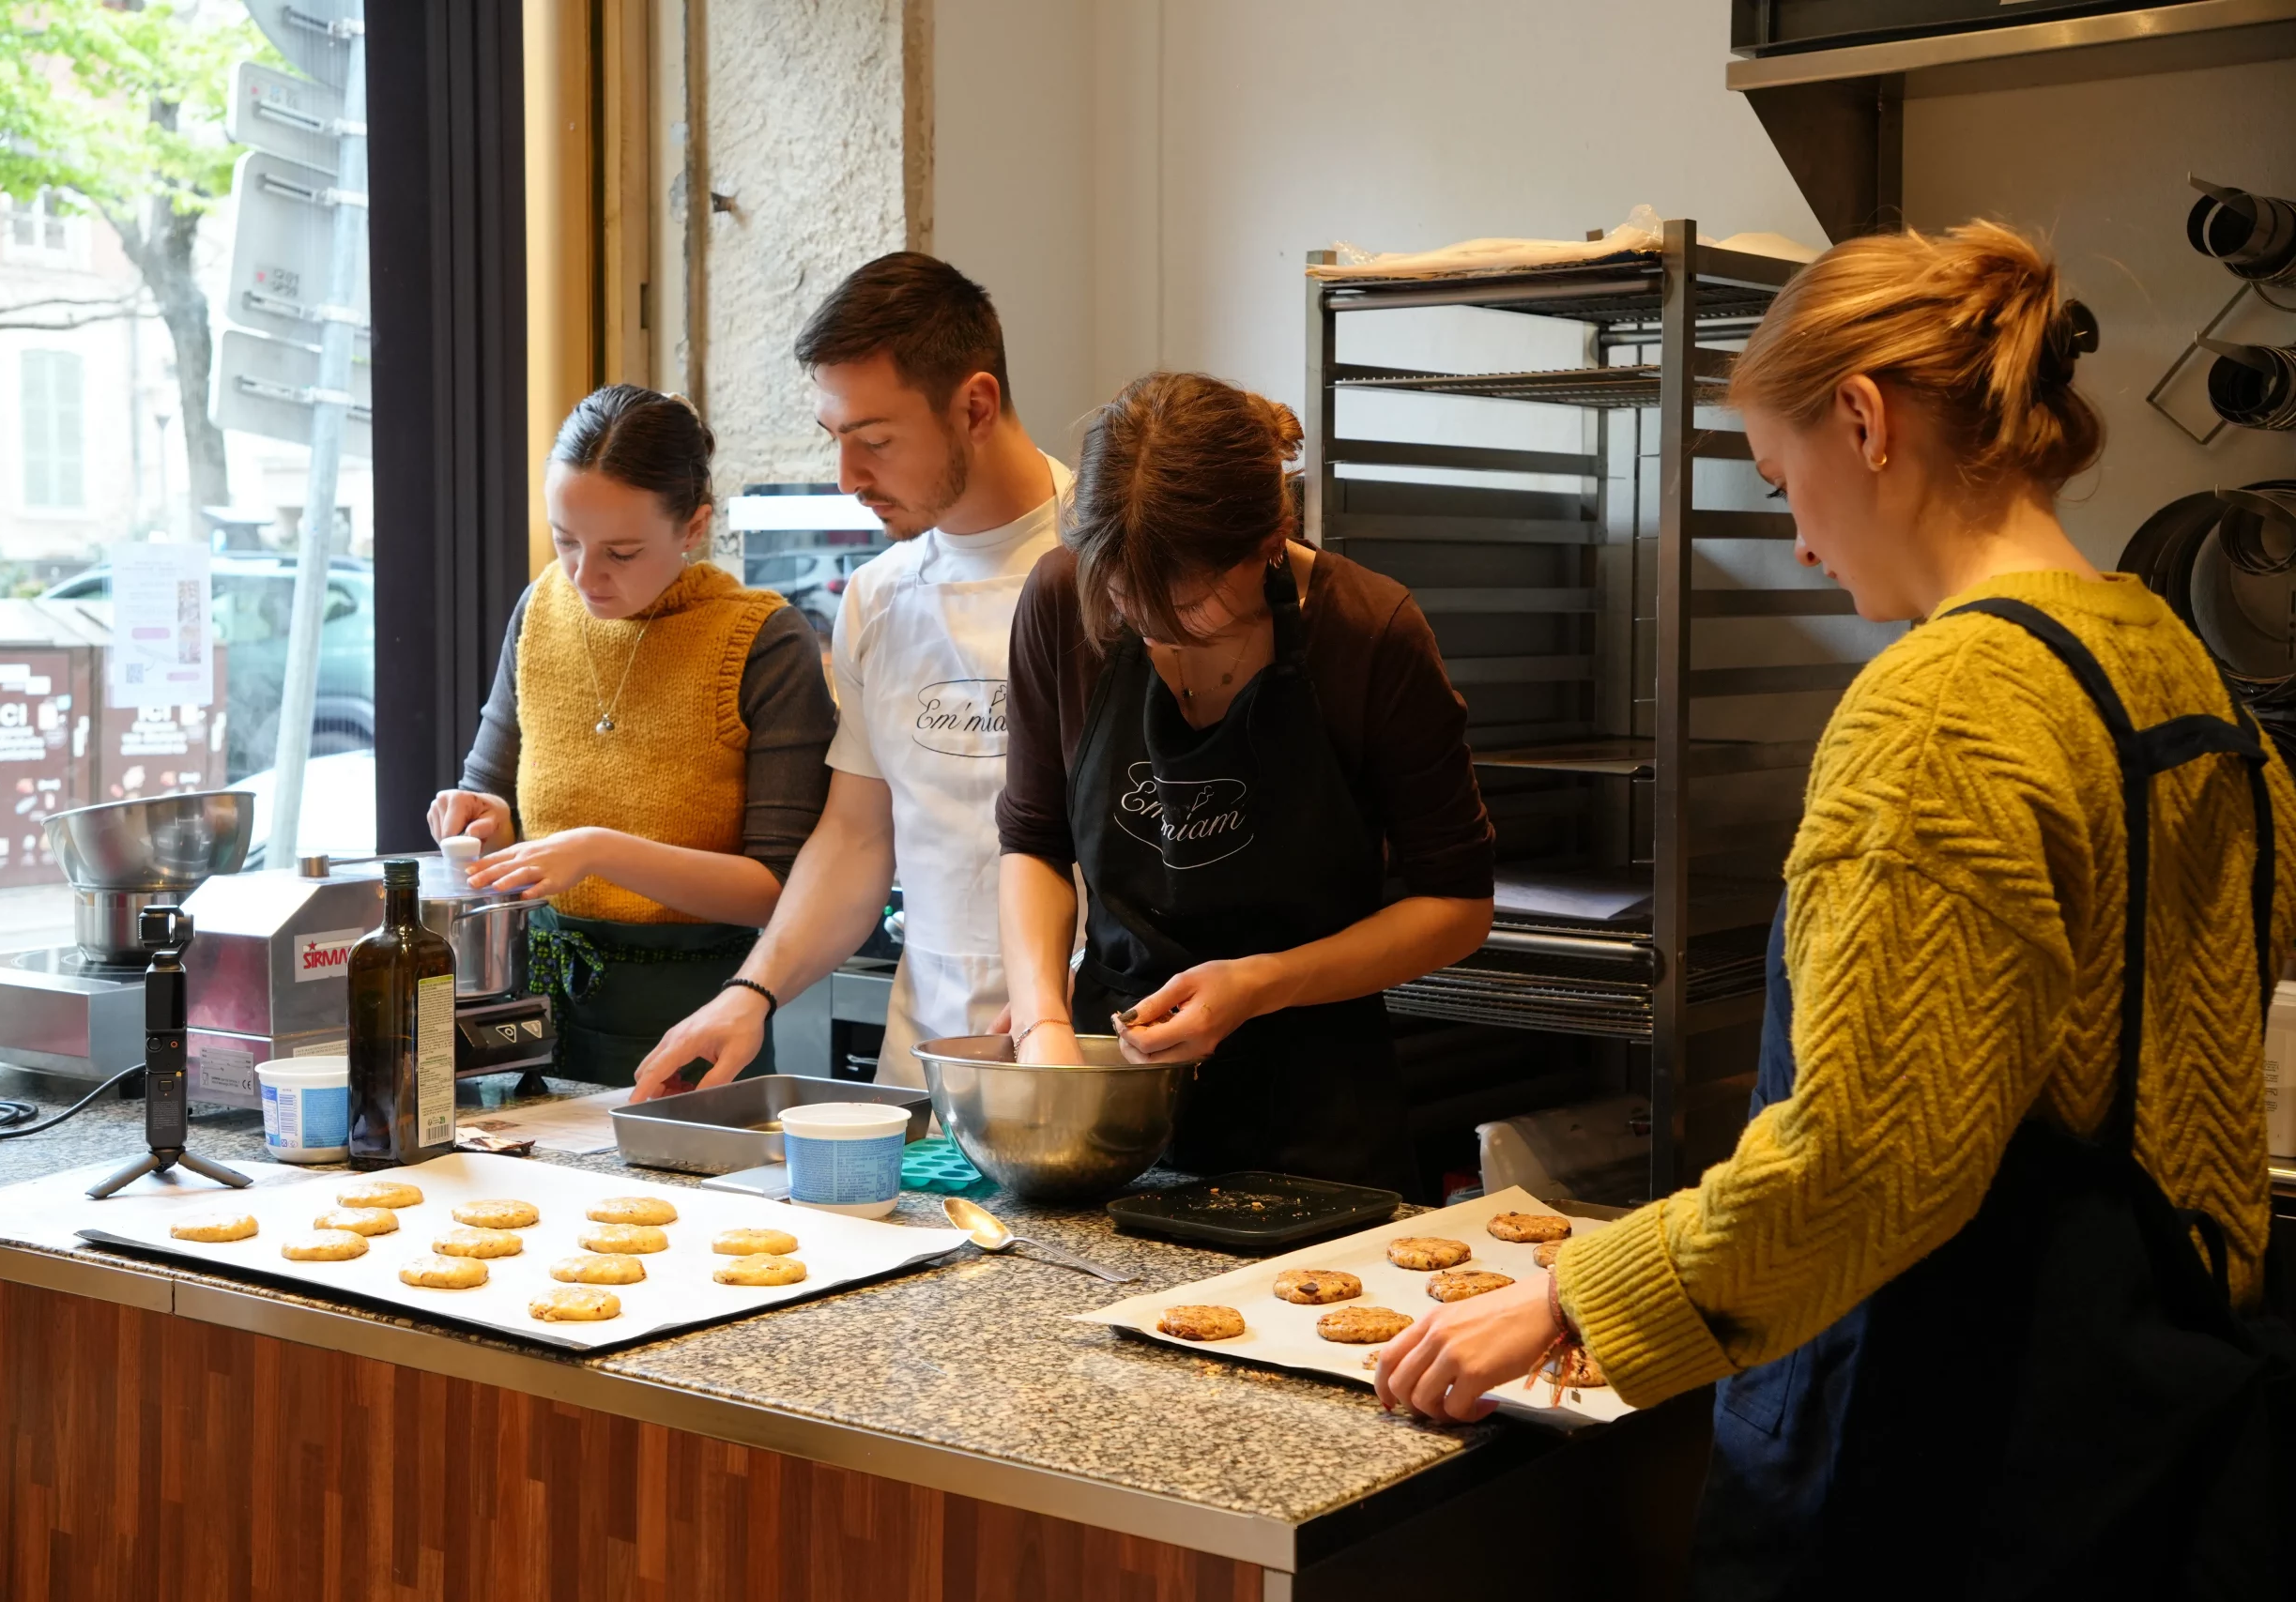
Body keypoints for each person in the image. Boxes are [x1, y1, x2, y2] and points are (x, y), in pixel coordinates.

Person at [1372, 222, 2296, 1594]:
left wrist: (1575, 1297)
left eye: (1779, 479)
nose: (1798, 543)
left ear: (1864, 421)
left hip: (1941, 1463)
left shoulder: (1944, 711)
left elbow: (1867, 1158)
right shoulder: (2184, 671)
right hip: (2160, 1435)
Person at [995, 373, 1494, 1195]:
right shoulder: (1058, 598)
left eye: (1188, 607)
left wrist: (1260, 983)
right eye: (1121, 598)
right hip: (1110, 1092)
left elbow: (1458, 905)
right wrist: (1042, 1021)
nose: (1149, 627)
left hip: (1313, 1105)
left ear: (1269, 540)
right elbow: (1033, 841)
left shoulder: (1369, 633)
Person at [629, 253, 1072, 1098]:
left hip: (1087, 1051)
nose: (848, 478)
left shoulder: (1111, 570)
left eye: (875, 441)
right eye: (835, 439)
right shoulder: (878, 595)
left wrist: (1056, 1013)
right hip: (927, 1067)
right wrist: (751, 991)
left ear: (976, 406)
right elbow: (856, 837)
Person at [427, 385, 835, 1084]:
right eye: (565, 539)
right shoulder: (541, 610)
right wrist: (483, 821)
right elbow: (490, 796)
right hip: (532, 1017)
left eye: (621, 551)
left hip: (695, 1021)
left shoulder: (763, 641)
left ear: (694, 527)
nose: (585, 576)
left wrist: (599, 851)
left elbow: (779, 889)